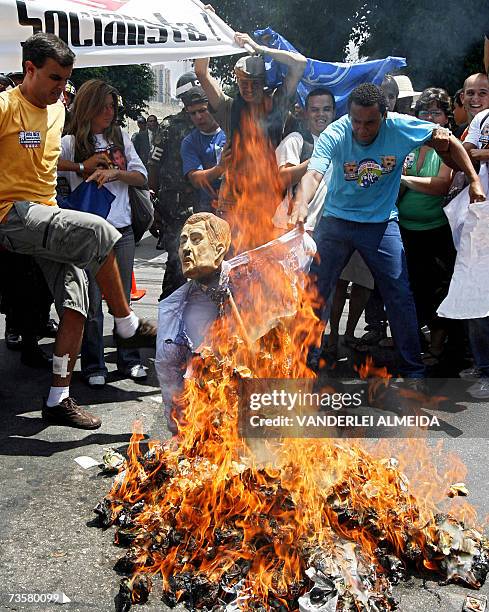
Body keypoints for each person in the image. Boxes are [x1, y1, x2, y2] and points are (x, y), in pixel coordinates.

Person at [0, 32, 156, 429]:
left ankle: (58, 398)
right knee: (101, 232)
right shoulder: (5, 107)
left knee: (76, 304)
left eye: (66, 81)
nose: (61, 89)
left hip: (46, 211)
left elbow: (52, 162)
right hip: (11, 213)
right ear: (28, 69)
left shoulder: (57, 111)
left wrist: (81, 168)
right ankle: (127, 325)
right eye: (54, 79)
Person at [290, 83, 485, 379]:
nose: (362, 129)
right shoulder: (336, 132)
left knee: (399, 295)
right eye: (356, 121)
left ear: (385, 115)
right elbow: (313, 174)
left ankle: (413, 371)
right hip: (337, 221)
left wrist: (473, 180)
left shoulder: (402, 126)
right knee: (315, 291)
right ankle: (302, 367)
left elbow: (449, 142)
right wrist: (301, 203)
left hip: (381, 224)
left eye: (370, 122)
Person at [58, 79, 147, 388]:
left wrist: (115, 172)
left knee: (123, 301)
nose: (110, 112)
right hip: (87, 234)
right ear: (89, 106)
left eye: (113, 106)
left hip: (121, 231)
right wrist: (84, 166)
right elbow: (47, 163)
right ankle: (94, 364)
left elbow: (142, 177)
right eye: (104, 106)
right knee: (91, 304)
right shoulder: (70, 142)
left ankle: (130, 360)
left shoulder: (121, 136)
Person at [397, 88, 460, 366]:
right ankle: (417, 343)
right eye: (424, 112)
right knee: (413, 290)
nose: (430, 117)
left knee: (438, 290)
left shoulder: (449, 145)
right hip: (405, 230)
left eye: (436, 112)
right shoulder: (409, 143)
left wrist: (404, 180)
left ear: (447, 118)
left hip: (436, 232)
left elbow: (441, 184)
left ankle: (437, 348)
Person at [156, 212, 231, 433]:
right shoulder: (173, 308)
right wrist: (180, 430)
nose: (187, 248)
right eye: (183, 242)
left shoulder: (249, 284)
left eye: (196, 239)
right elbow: (168, 372)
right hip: (202, 417)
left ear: (218, 251)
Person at [147, 71, 199, 297]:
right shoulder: (169, 126)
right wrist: (152, 204)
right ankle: (168, 310)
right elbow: (154, 166)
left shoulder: (209, 121)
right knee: (177, 262)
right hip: (174, 206)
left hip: (202, 203)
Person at [180, 86, 226, 213]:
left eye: (202, 110)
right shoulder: (190, 142)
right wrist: (220, 168)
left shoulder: (231, 131)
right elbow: (195, 179)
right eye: (193, 113)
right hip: (208, 209)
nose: (198, 117)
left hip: (240, 205)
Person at [459, 73, 489, 140]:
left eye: (482, 93)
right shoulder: (459, 132)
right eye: (470, 93)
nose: (475, 99)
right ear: (462, 98)